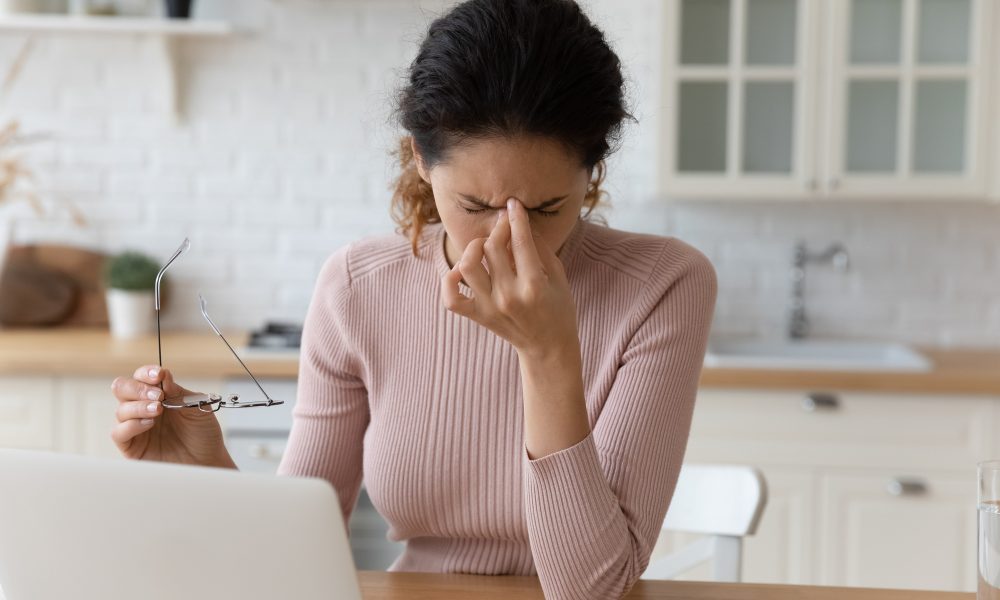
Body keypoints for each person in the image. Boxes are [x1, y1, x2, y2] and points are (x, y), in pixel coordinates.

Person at [109, 1, 717, 598]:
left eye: (547, 209)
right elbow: (290, 558)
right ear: (420, 161)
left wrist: (548, 350)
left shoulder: (664, 286)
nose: (511, 238)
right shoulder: (357, 287)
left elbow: (591, 590)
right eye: (475, 207)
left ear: (594, 173)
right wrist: (207, 476)